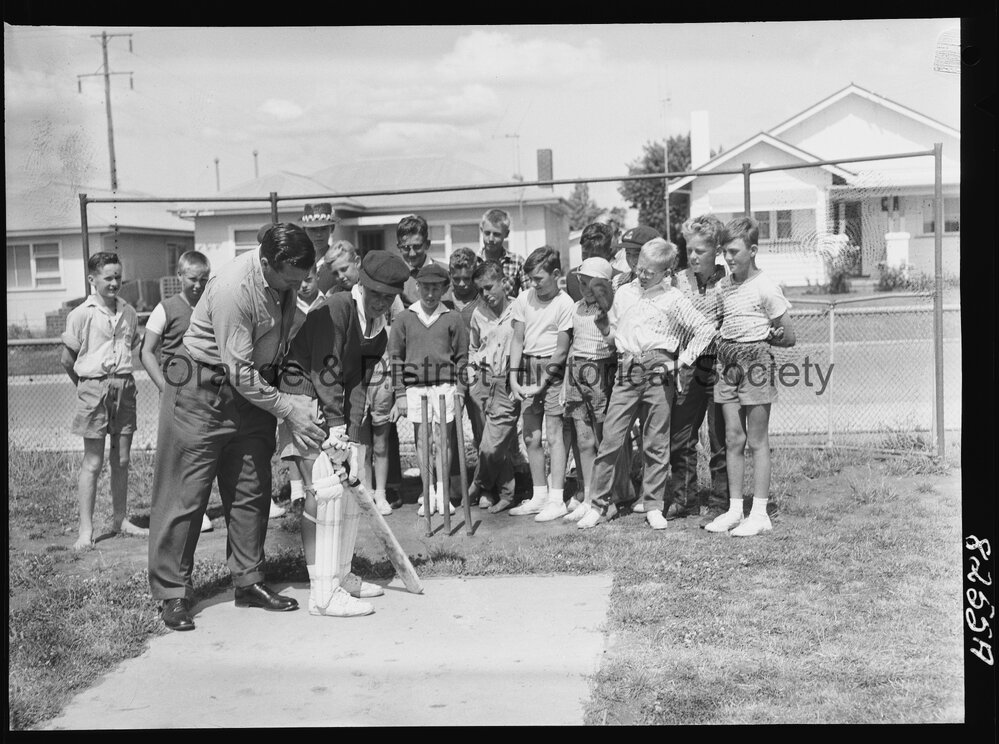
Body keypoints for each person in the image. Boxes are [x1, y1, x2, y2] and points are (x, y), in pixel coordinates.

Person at [148, 223, 326, 632]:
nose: (299, 287)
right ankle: (172, 593)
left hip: (250, 396)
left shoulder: (282, 280)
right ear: (266, 263)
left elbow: (262, 362)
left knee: (252, 488)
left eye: (303, 279)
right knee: (185, 496)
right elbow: (239, 371)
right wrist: (288, 410)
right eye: (291, 280)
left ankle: (248, 581)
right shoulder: (234, 287)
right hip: (201, 390)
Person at [278, 250, 412, 616]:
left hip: (333, 401)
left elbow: (358, 384)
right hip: (303, 394)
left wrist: (351, 433)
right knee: (323, 492)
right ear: (361, 285)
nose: (382, 302)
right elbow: (326, 367)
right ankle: (322, 593)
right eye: (376, 293)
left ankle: (340, 575)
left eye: (390, 296)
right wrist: (335, 424)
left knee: (351, 488)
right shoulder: (337, 307)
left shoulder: (380, 332)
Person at [577, 238, 717, 530]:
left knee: (655, 442)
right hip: (627, 368)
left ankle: (653, 504)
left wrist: (680, 362)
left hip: (658, 369)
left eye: (649, 272)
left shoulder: (674, 299)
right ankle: (598, 504)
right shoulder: (623, 292)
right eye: (640, 268)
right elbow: (615, 333)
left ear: (665, 273)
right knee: (611, 439)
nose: (642, 275)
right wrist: (606, 330)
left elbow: (705, 330)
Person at [704, 216, 796, 537]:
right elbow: (718, 321)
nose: (728, 259)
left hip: (755, 362)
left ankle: (759, 513)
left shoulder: (766, 286)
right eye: (724, 252)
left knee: (757, 440)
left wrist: (772, 336)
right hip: (726, 362)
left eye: (734, 251)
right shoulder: (723, 286)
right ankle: (734, 510)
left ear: (753, 250)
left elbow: (789, 336)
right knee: (732, 438)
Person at [60, 252, 147, 551]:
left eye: (118, 277)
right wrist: (87, 388)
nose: (114, 283)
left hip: (125, 386)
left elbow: (133, 347)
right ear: (92, 279)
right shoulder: (81, 313)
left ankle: (120, 519)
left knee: (121, 460)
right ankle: (86, 529)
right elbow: (67, 359)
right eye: (107, 277)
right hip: (93, 387)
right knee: (93, 462)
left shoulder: (129, 312)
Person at [140, 251, 215, 533]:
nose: (198, 285)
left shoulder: (211, 305)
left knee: (202, 451)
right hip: (176, 393)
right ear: (180, 276)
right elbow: (147, 351)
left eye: (203, 280)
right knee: (179, 452)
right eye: (192, 279)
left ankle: (199, 506)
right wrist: (164, 386)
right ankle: (184, 511)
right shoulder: (166, 308)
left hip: (206, 392)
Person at [389, 262, 469, 517]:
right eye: (425, 288)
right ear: (417, 287)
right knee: (423, 440)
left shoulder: (452, 317)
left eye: (436, 288)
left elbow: (462, 358)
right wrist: (400, 393)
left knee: (444, 441)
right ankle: (428, 491)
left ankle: (443, 493)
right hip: (415, 388)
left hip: (445, 386)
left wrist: (460, 390)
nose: (431, 294)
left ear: (445, 288)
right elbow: (396, 358)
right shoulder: (404, 318)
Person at [667, 215, 730, 522]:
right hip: (687, 365)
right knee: (681, 435)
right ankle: (684, 499)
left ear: (716, 250)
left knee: (718, 436)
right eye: (689, 249)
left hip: (718, 364)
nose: (692, 256)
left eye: (700, 251)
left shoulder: (729, 282)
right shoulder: (677, 281)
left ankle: (720, 501)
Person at [507, 246, 576, 520]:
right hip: (527, 366)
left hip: (554, 370)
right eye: (531, 279)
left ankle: (557, 498)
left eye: (539, 278)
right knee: (530, 435)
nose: (533, 284)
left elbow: (561, 350)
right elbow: (516, 339)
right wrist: (513, 376)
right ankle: (539, 495)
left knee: (555, 433)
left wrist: (542, 383)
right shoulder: (524, 299)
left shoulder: (565, 303)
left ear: (556, 274)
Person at [560, 257, 619, 523]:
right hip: (577, 370)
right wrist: (566, 380)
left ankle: (607, 498)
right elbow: (571, 345)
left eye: (592, 284)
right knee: (583, 439)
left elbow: (615, 341)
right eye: (582, 282)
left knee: (601, 437)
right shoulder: (576, 307)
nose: (585, 288)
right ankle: (587, 497)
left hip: (600, 369)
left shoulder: (610, 308)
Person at [465, 260, 520, 513]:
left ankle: (478, 483)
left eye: (489, 287)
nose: (486, 294)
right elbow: (474, 347)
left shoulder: (519, 309)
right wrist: (473, 373)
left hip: (508, 380)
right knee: (494, 442)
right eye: (481, 290)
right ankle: (506, 493)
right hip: (483, 380)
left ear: (502, 282)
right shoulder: (479, 313)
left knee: (492, 444)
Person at [396, 214, 452, 309]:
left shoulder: (447, 274)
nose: (412, 254)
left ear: (427, 244)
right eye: (406, 248)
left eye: (417, 247)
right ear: (399, 248)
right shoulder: (396, 278)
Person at [477, 208, 529, 298]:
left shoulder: (517, 261)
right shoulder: (473, 262)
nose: (491, 239)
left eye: (496, 234)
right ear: (481, 230)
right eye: (487, 233)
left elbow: (529, 295)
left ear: (506, 233)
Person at [566, 222, 618, 302]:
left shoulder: (619, 280)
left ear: (608, 253)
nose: (589, 260)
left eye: (595, 256)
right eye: (585, 254)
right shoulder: (572, 278)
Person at [612, 225, 661, 290]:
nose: (631, 260)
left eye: (637, 254)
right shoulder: (618, 282)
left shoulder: (668, 284)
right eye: (628, 253)